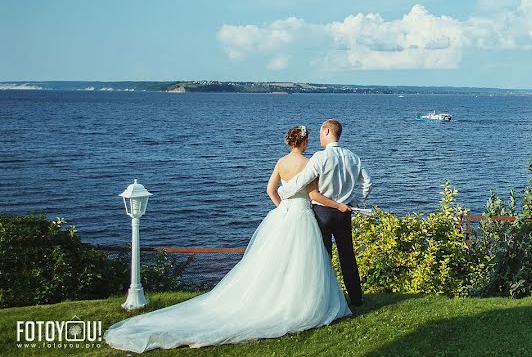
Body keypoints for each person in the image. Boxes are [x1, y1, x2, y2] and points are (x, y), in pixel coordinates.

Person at [105, 126, 351, 353]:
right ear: (305, 141)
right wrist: (338, 206)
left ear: (290, 142)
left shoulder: (281, 162)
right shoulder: (309, 163)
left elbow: (270, 190)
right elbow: (314, 194)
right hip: (302, 215)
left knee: (271, 262)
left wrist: (281, 208)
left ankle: (276, 299)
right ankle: (300, 303)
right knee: (303, 263)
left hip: (284, 215)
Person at [277, 118, 371, 306]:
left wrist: (283, 191)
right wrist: (355, 201)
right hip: (344, 212)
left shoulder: (320, 157)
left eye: (320, 133)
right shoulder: (353, 157)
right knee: (347, 255)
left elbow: (303, 179)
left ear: (327, 132)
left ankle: (324, 299)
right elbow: (367, 183)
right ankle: (356, 298)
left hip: (322, 213)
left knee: (323, 256)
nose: (318, 137)